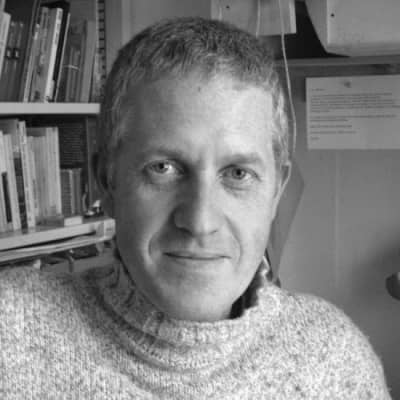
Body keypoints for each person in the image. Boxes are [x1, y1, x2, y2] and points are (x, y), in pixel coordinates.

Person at [0, 17, 391, 399]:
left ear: (276, 192)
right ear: (107, 181)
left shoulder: (334, 363)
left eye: (237, 173)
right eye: (163, 168)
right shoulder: (11, 332)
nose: (200, 221)